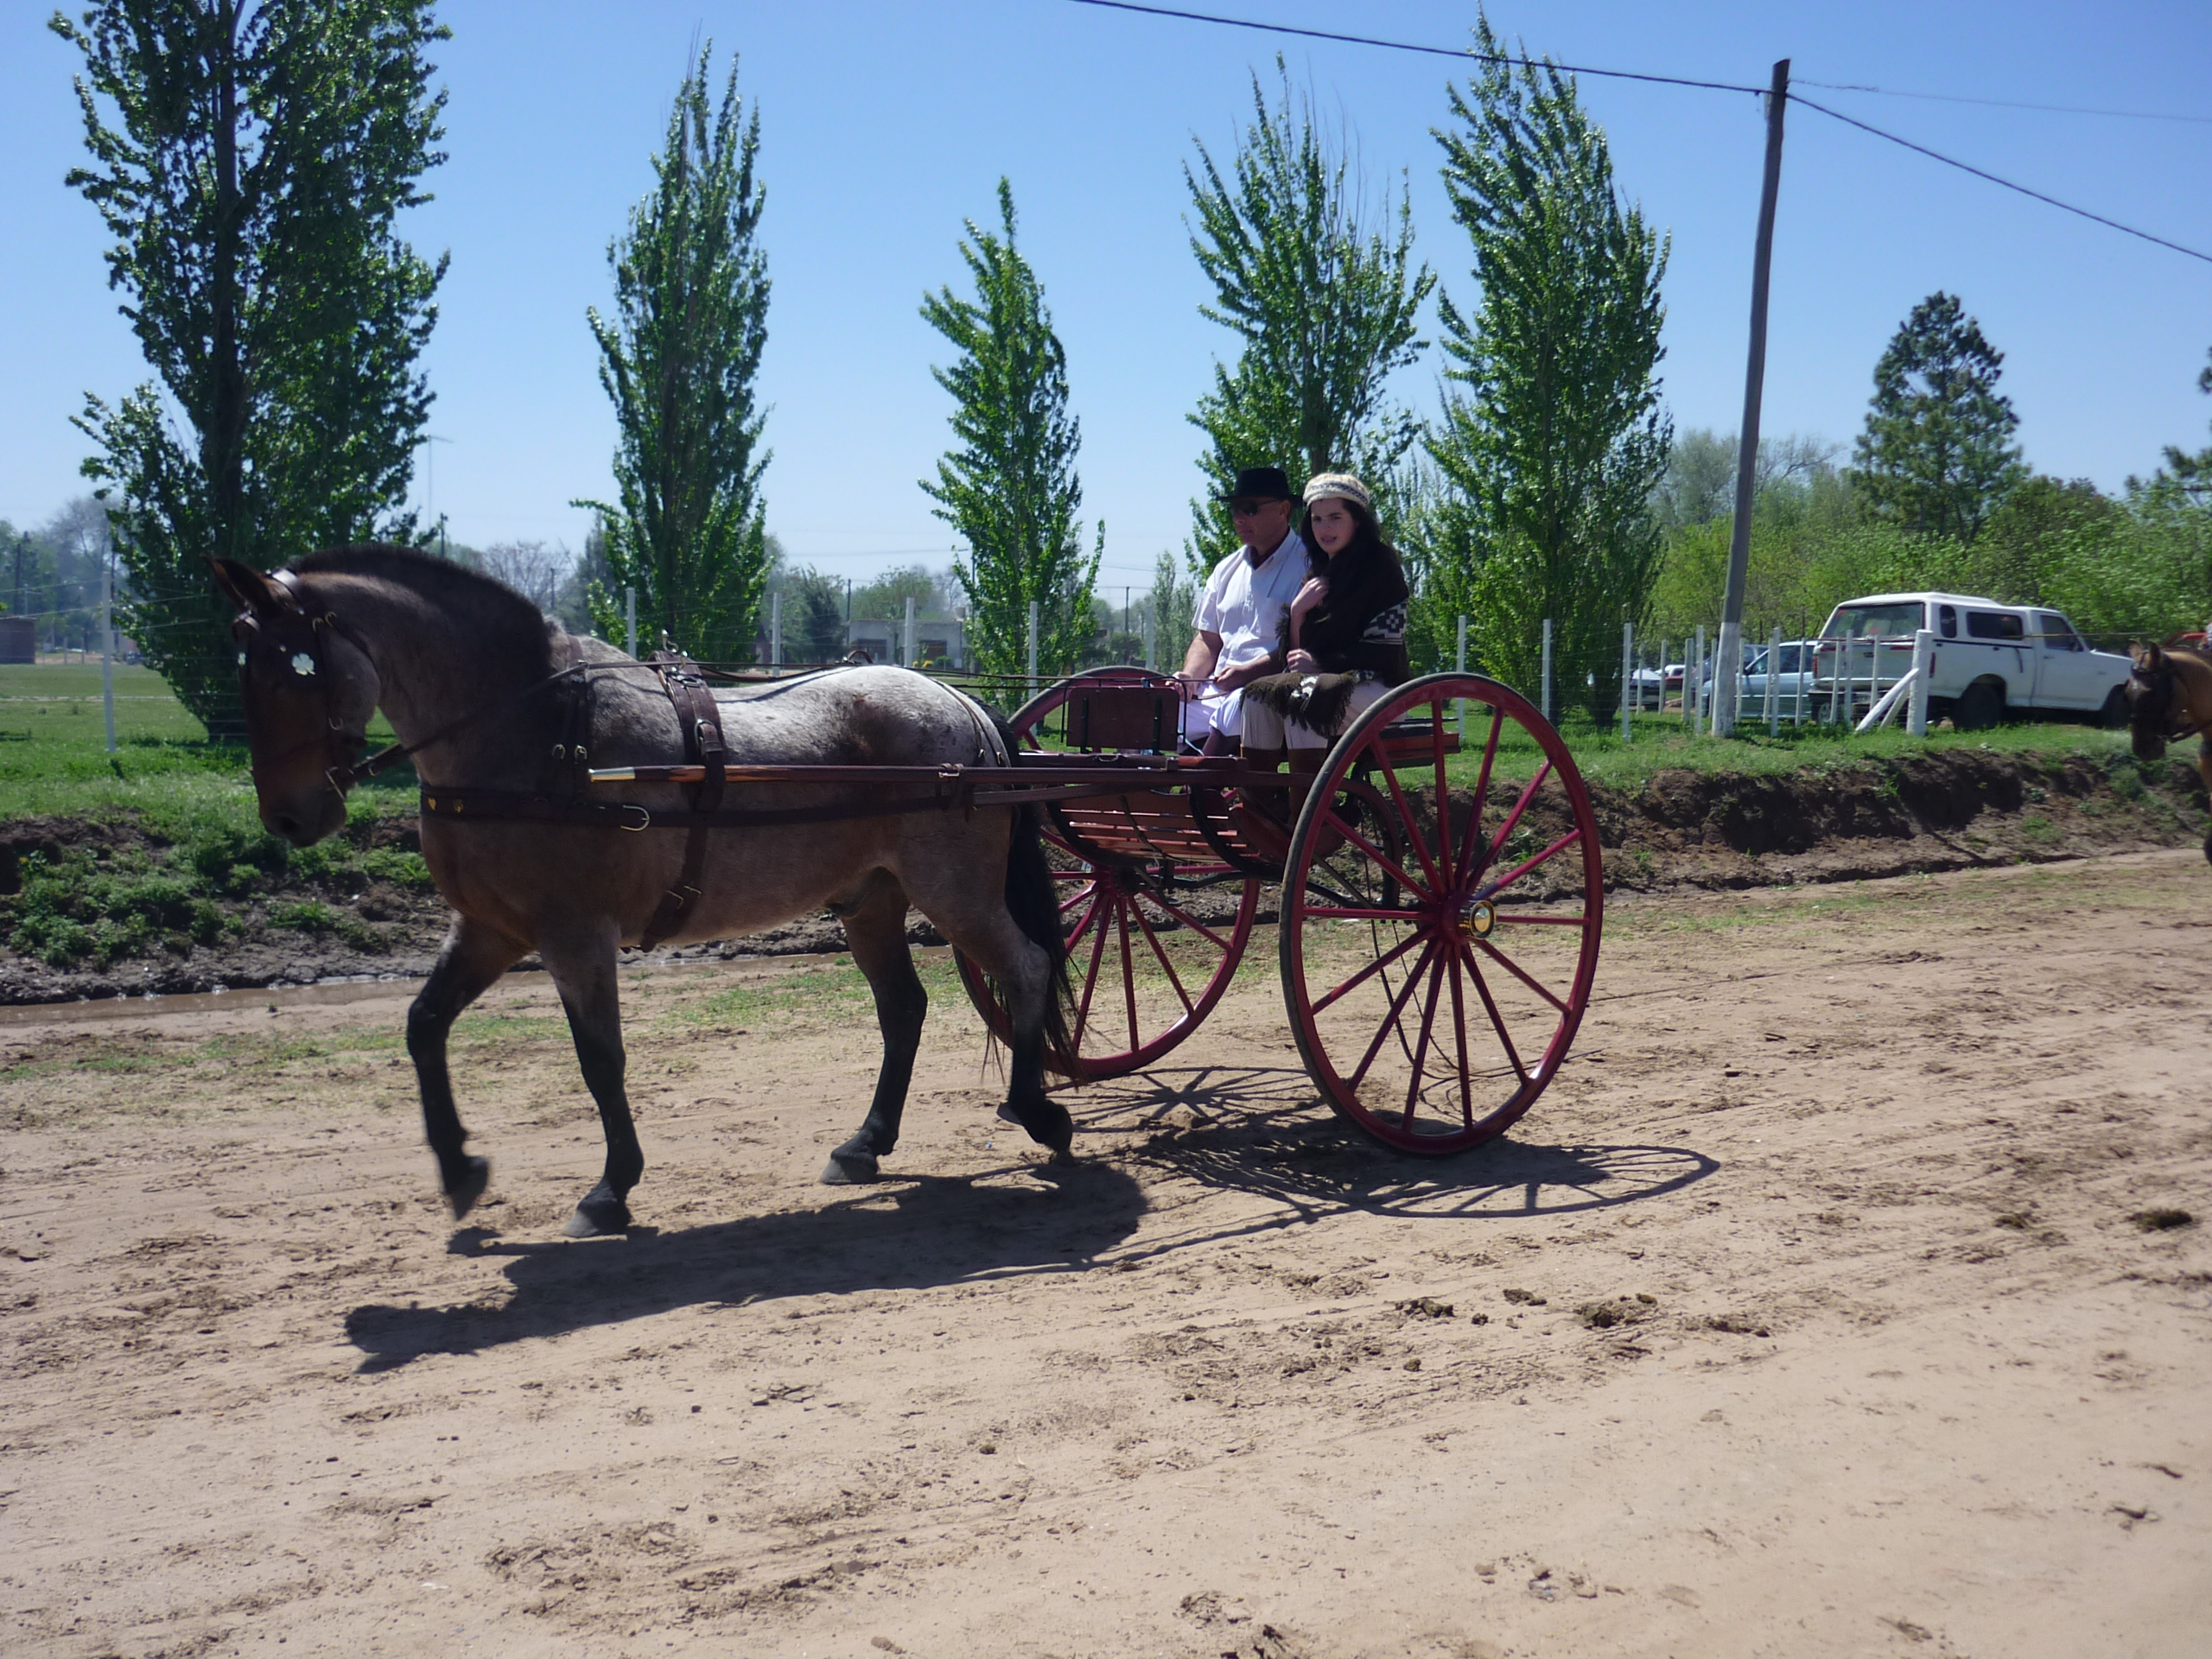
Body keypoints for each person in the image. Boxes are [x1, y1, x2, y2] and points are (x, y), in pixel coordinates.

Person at [1238, 472, 1410, 782]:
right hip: (1325, 686)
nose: (1325, 528)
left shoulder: (1380, 567)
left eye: (1335, 517)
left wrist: (1320, 663)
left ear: (1356, 520)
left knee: (1304, 699)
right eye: (1317, 519)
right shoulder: (1317, 571)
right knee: (1257, 697)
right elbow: (1295, 659)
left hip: (1381, 690)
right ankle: (1259, 812)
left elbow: (1384, 652)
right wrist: (1298, 612)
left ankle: (1309, 820)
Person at [1174, 466, 1309, 752]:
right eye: (1234, 509)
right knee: (1152, 715)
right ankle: (1135, 793)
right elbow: (1208, 639)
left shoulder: (1308, 567)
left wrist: (1247, 673)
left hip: (1269, 695)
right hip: (1215, 693)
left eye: (1249, 508)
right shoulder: (1226, 570)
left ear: (1284, 510)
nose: (1238, 518)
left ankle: (1199, 790)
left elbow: (1305, 645)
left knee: (1238, 707)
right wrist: (1189, 677)